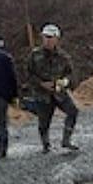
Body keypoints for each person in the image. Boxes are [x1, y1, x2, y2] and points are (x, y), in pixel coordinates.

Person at [24, 23, 79, 152]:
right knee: (44, 122)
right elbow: (28, 74)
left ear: (56, 39)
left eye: (50, 37)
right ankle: (45, 145)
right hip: (42, 94)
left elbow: (72, 74)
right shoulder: (34, 55)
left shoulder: (64, 57)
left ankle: (66, 140)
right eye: (45, 37)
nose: (47, 40)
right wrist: (40, 83)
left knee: (73, 111)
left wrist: (64, 82)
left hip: (59, 93)